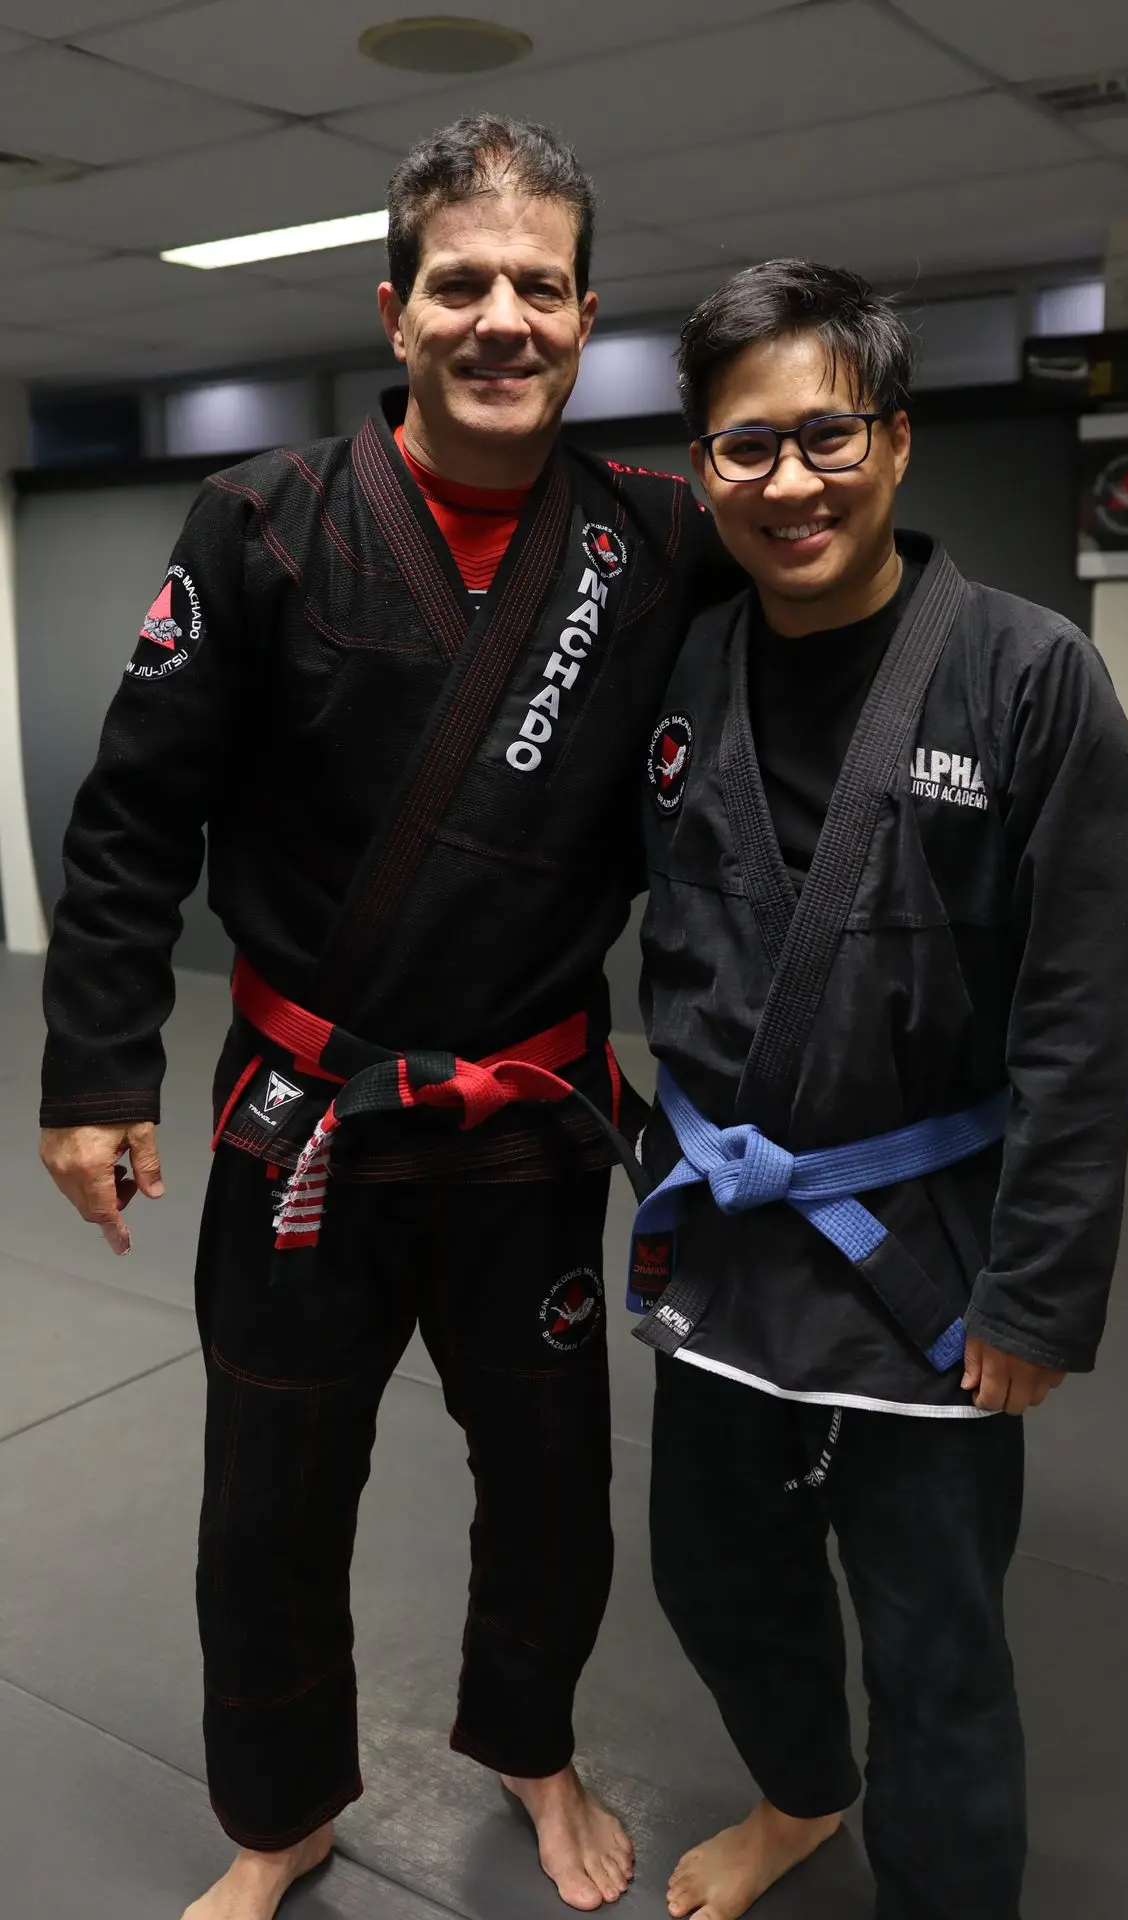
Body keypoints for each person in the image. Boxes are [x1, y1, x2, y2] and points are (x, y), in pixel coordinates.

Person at [38, 115, 731, 1920]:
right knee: (270, 1493)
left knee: (554, 1482)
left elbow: (840, 585)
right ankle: (279, 1814)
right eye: (463, 283)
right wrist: (100, 1070)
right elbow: (131, 818)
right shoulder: (261, 523)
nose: (504, 317)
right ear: (396, 308)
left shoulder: (656, 543)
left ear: (590, 318)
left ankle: (529, 1741)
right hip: (307, 1116)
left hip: (526, 1122)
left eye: (543, 286)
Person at [628, 260, 1128, 1920]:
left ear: (898, 444)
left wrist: (1040, 1293)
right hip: (726, 1244)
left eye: (826, 437)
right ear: (704, 468)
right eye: (744, 449)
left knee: (938, 1647)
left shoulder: (1029, 675)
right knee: (716, 1579)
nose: (789, 483)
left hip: (927, 1266)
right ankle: (800, 1797)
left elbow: (1084, 1015)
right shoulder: (683, 668)